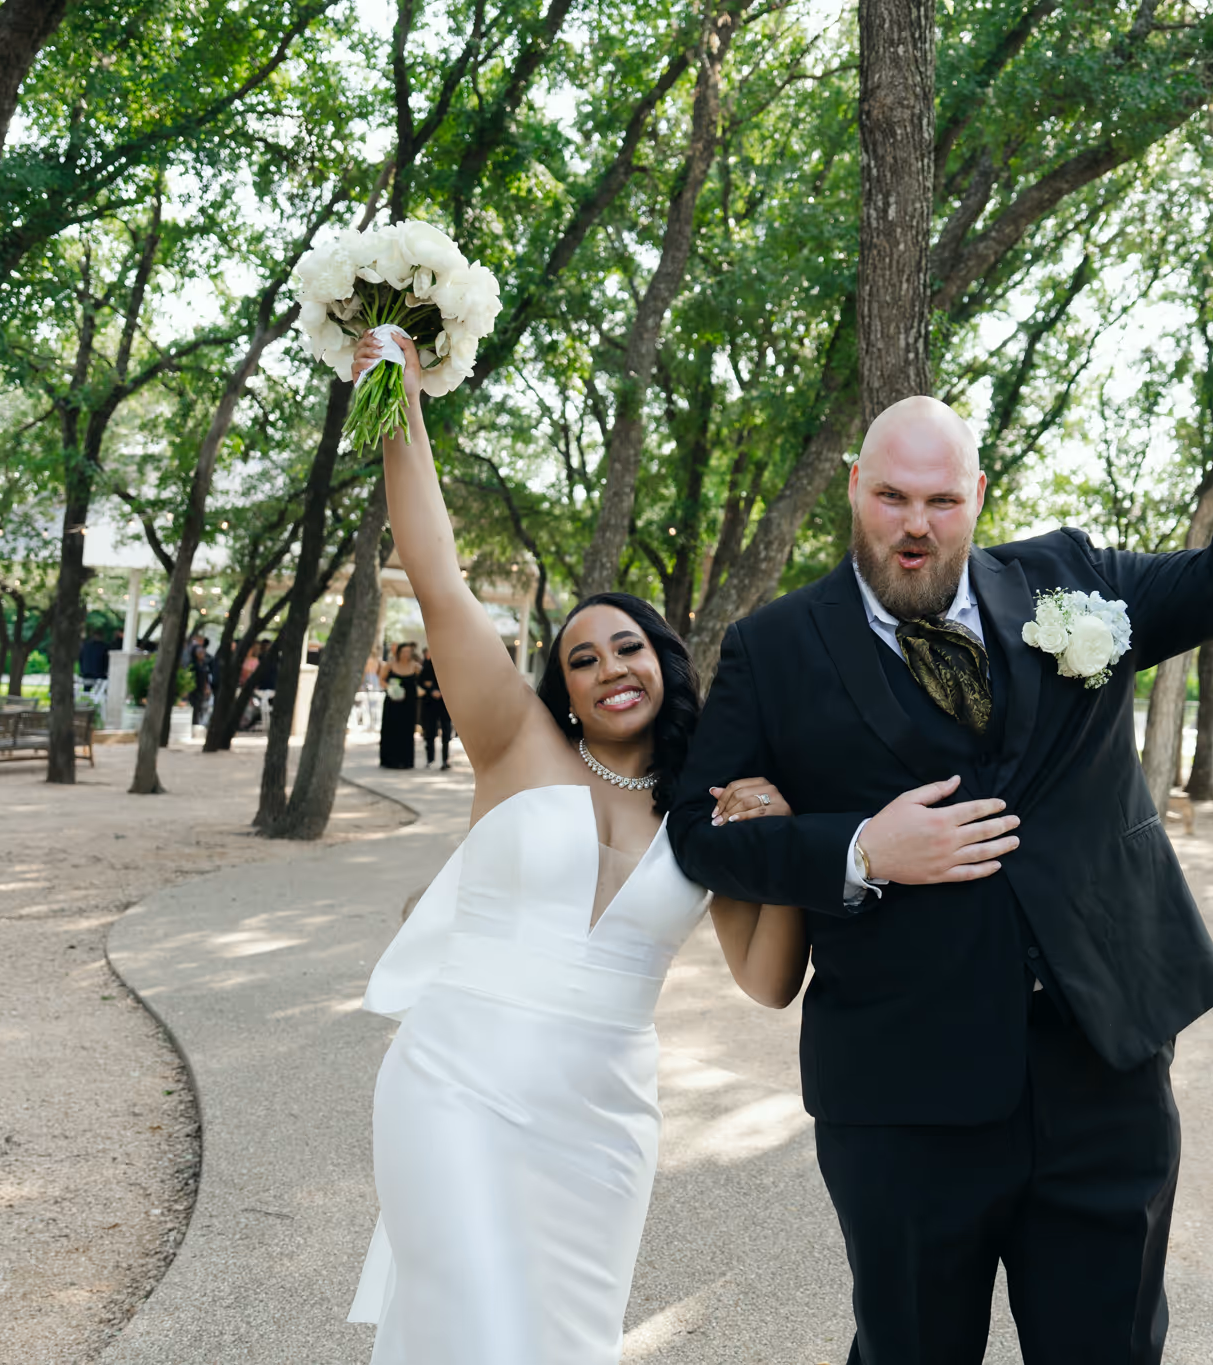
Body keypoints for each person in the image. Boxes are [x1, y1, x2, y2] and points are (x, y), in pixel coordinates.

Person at [668, 315, 1213, 1364]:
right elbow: (698, 831)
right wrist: (857, 851)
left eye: (939, 500)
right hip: (902, 1100)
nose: (914, 526)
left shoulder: (1072, 581)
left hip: (1101, 1073)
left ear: (978, 497)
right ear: (853, 487)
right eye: (890, 497)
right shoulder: (774, 649)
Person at [345, 328, 807, 1362]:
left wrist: (775, 851)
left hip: (602, 1123)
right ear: (562, 686)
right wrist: (401, 398)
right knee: (469, 1325)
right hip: (454, 1082)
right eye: (582, 657)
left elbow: (769, 982)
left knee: (562, 1342)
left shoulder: (704, 813)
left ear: (665, 660)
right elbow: (436, 573)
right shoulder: (515, 743)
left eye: (628, 646)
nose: (608, 668)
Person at [377, 642, 422, 769]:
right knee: (391, 730)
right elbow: (381, 680)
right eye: (403, 652)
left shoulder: (415, 667)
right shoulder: (390, 665)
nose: (406, 654)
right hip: (393, 703)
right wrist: (391, 689)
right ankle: (389, 760)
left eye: (408, 652)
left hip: (409, 704)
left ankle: (406, 760)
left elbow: (422, 681)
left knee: (406, 731)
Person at [416, 646, 452, 769]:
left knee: (446, 733)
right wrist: (431, 690)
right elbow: (421, 681)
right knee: (430, 732)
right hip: (430, 704)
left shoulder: (450, 667)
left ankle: (445, 760)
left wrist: (442, 691)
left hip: (445, 704)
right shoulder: (428, 666)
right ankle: (430, 759)